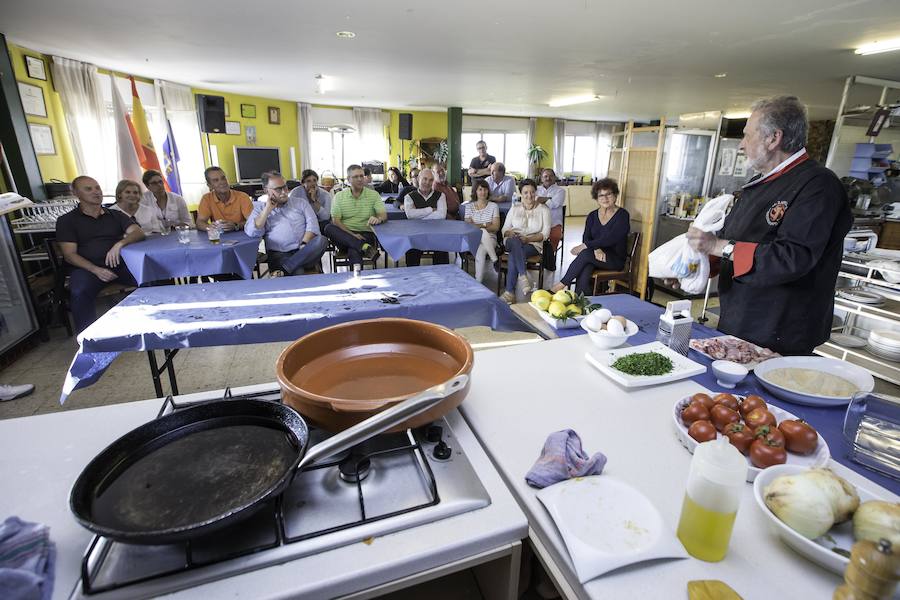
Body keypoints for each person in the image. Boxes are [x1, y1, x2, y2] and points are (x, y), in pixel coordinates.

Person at [686, 95, 852, 355]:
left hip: (782, 328)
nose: (741, 145)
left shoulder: (818, 186)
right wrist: (700, 266)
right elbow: (737, 241)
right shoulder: (758, 184)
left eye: (747, 135)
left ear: (773, 138)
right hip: (741, 317)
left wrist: (717, 245)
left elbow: (792, 257)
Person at [55, 176, 144, 332]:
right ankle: (89, 338)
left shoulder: (115, 215)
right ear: (75, 193)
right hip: (87, 269)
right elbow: (70, 255)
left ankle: (156, 324)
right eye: (89, 189)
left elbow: (138, 232)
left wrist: (120, 244)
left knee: (151, 278)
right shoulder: (66, 221)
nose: (96, 192)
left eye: (97, 188)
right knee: (79, 291)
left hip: (119, 265)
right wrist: (96, 270)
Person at [551, 178, 630, 295]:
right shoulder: (593, 215)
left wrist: (586, 246)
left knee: (585, 253)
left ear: (615, 195)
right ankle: (581, 299)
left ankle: (560, 286)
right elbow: (586, 237)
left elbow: (612, 238)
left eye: (608, 194)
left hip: (614, 259)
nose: (605, 198)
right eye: (601, 195)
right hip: (595, 255)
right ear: (596, 198)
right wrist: (596, 248)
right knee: (586, 266)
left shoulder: (622, 215)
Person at [245, 172, 327, 275]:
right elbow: (252, 232)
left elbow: (313, 225)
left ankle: (285, 269)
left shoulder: (300, 203)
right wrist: (267, 210)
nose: (284, 192)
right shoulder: (260, 208)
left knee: (322, 240)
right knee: (298, 271)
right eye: (278, 189)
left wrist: (303, 246)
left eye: (285, 187)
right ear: (266, 190)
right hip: (280, 254)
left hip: (304, 249)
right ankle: (292, 266)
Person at [324, 164, 386, 267]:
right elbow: (336, 221)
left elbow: (383, 215)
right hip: (344, 235)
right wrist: (352, 235)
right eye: (356, 177)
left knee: (354, 249)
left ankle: (357, 279)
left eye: (361, 176)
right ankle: (364, 247)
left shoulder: (373, 195)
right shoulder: (339, 196)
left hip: (366, 235)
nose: (360, 179)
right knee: (328, 228)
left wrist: (378, 219)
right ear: (348, 179)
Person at [499, 179, 550, 303]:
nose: (529, 195)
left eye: (532, 192)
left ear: (535, 192)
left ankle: (510, 293)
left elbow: (545, 234)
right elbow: (504, 229)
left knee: (514, 254)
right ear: (521, 193)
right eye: (526, 192)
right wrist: (509, 233)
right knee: (515, 242)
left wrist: (528, 239)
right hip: (512, 241)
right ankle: (523, 275)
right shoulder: (514, 208)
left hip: (532, 244)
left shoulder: (544, 210)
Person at [402, 168, 448, 267]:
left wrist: (418, 215)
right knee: (411, 251)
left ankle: (442, 278)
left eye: (431, 180)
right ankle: (414, 278)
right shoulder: (409, 197)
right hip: (416, 235)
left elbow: (441, 215)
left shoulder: (440, 196)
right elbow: (410, 215)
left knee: (442, 253)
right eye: (425, 179)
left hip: (436, 234)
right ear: (418, 179)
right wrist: (430, 209)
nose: (427, 182)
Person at [464, 179, 501, 283]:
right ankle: (495, 260)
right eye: (480, 189)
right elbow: (468, 227)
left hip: (490, 239)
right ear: (475, 191)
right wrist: (485, 225)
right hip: (473, 238)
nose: (483, 192)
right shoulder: (469, 207)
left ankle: (477, 282)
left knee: (481, 248)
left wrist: (477, 226)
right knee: (482, 231)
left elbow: (496, 227)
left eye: (485, 189)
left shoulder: (494, 206)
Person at [196, 166, 253, 232]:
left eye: (223, 178)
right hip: (220, 237)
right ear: (209, 185)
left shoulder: (242, 196)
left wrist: (236, 225)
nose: (222, 182)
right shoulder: (206, 198)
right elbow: (200, 222)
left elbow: (253, 222)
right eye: (216, 180)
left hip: (242, 234)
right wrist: (210, 227)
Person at [536, 168, 567, 270]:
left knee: (555, 235)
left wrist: (541, 200)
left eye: (550, 176)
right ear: (541, 178)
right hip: (537, 221)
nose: (548, 178)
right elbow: (532, 203)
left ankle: (549, 257)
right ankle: (535, 257)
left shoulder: (560, 191)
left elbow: (554, 204)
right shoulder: (536, 189)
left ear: (555, 178)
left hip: (554, 222)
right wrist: (548, 199)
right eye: (545, 176)